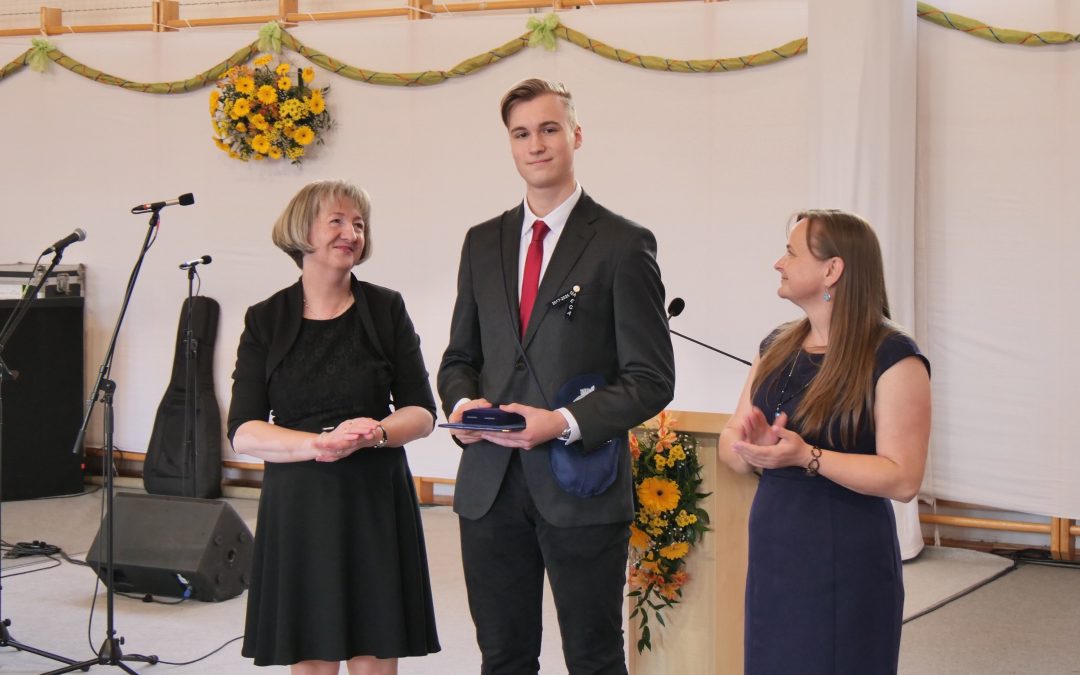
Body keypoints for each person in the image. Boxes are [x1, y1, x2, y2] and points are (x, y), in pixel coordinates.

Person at [437, 78, 675, 675]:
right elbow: (459, 358)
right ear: (510, 144)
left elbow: (651, 377)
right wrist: (463, 407)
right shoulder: (480, 242)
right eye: (522, 133)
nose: (536, 144)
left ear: (576, 135)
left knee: (593, 659)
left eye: (549, 129)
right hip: (489, 487)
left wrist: (563, 422)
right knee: (503, 657)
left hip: (581, 484)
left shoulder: (623, 244)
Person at [227, 180, 440, 675]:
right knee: (312, 656)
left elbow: (422, 411)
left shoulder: (386, 308)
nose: (352, 233)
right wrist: (320, 444)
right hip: (299, 503)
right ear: (302, 231)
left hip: (374, 498)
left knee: (373, 652)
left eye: (359, 224)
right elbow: (244, 430)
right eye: (338, 221)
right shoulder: (265, 319)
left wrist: (377, 433)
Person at [718, 209, 931, 674]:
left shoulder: (893, 356)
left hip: (845, 554)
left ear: (832, 269)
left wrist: (806, 455)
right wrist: (751, 449)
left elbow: (903, 479)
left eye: (791, 253)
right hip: (776, 549)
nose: (779, 263)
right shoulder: (776, 346)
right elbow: (731, 439)